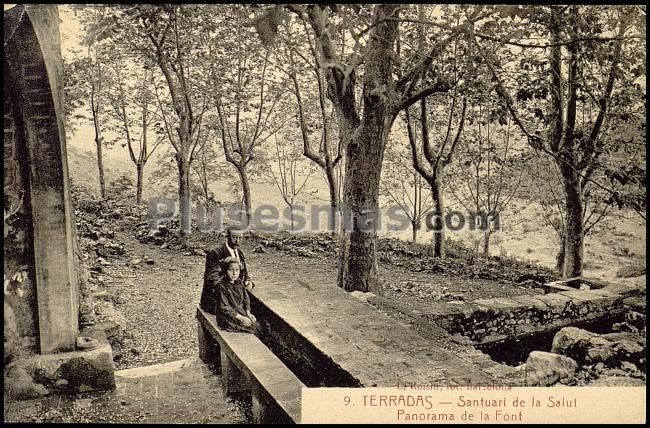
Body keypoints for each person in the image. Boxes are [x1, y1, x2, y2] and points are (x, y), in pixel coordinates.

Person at [214, 257, 261, 335]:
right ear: (225, 271)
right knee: (252, 329)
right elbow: (224, 307)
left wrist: (248, 312)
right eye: (230, 270)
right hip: (228, 317)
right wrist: (241, 318)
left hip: (240, 311)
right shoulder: (221, 286)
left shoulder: (239, 282)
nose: (234, 273)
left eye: (237, 270)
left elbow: (246, 298)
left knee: (258, 326)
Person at [203, 226, 255, 292]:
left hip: (236, 292)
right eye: (234, 237)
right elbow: (212, 278)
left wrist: (248, 280)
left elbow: (244, 272)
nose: (237, 241)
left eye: (240, 238)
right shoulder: (216, 253)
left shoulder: (239, 253)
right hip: (218, 295)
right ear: (227, 237)